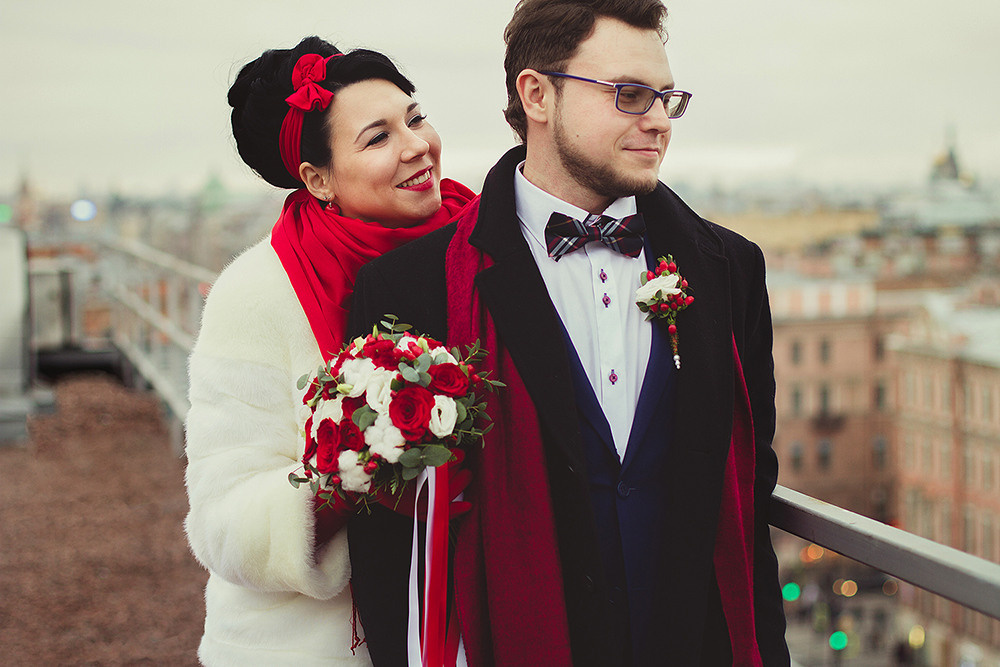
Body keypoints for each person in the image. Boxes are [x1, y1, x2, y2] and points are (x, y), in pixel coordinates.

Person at [347, 1, 790, 665]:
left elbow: (750, 506)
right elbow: (387, 550)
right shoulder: (411, 289)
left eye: (668, 98)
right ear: (537, 95)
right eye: (630, 94)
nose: (659, 121)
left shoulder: (729, 269)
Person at [183, 36, 474, 665]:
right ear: (316, 179)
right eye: (377, 138)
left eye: (415, 117)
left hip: (473, 622)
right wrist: (347, 478)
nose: (416, 145)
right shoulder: (258, 292)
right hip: (317, 646)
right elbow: (221, 521)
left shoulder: (484, 249)